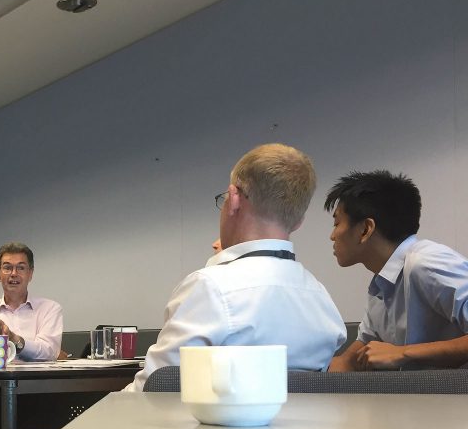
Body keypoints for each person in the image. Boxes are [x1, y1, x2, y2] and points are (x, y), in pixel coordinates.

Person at [128, 143, 346, 392]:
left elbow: (153, 390)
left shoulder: (210, 288)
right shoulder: (322, 301)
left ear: (233, 199)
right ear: (298, 222)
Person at [325, 170, 468, 371]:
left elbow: (392, 354)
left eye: (336, 223)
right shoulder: (381, 285)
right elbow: (350, 362)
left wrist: (403, 352)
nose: (332, 236)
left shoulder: (426, 263)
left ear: (366, 229)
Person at [0, 242, 63, 361]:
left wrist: (16, 341)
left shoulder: (50, 309)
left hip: (37, 379)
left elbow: (49, 352)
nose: (14, 274)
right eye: (7, 268)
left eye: (21, 268)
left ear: (30, 274)